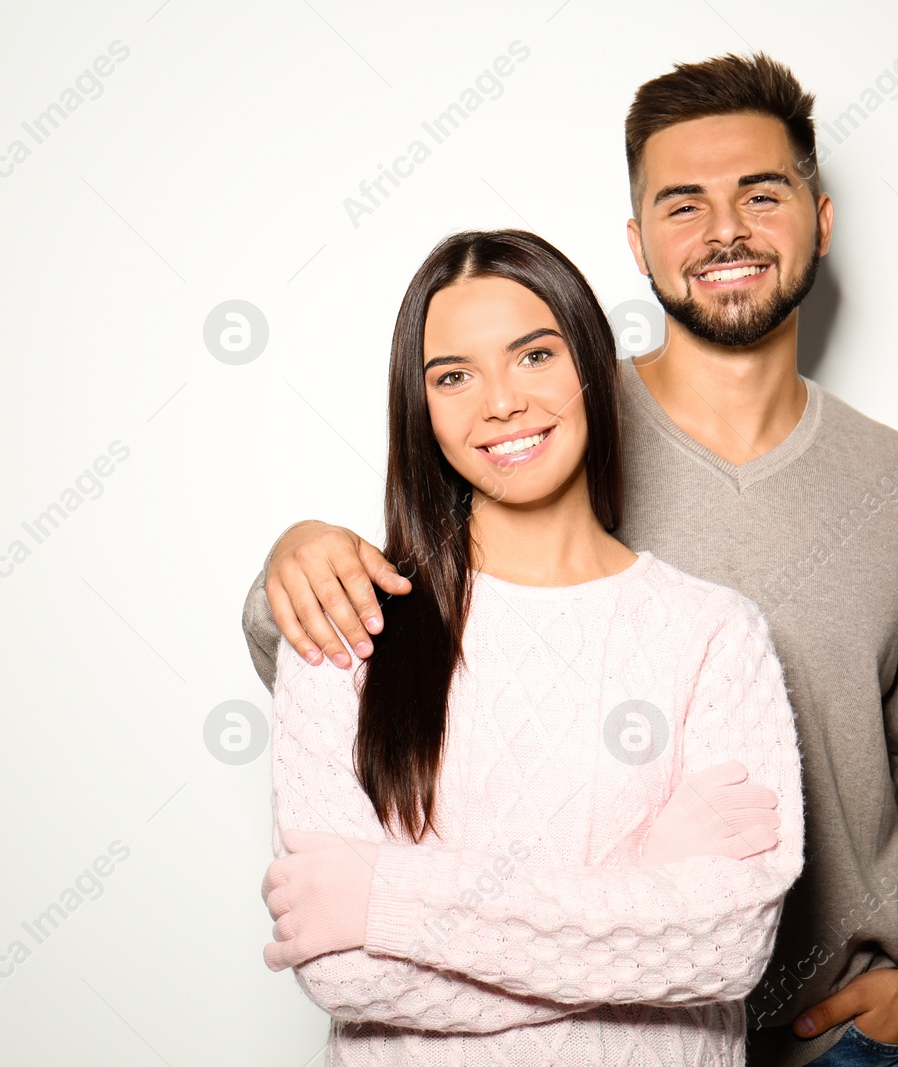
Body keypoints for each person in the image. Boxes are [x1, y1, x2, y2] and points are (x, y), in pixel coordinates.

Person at [243, 54, 898, 1067]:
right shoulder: (537, 420)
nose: (725, 229)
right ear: (636, 243)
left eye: (761, 194)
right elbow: (378, 617)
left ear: (820, 220)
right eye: (682, 203)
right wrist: (290, 557)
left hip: (830, 1034)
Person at [259, 228, 805, 1065]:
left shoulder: (715, 634)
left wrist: (388, 902)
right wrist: (639, 901)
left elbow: (727, 949)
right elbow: (345, 973)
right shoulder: (343, 622)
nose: (501, 403)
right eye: (453, 376)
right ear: (422, 408)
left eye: (534, 356)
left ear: (590, 364)